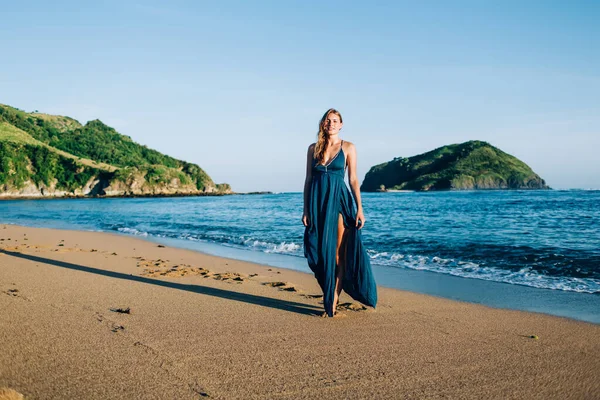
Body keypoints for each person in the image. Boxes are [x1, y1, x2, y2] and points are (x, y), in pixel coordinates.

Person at [303, 108, 377, 317]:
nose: (331, 124)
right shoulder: (312, 149)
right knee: (316, 250)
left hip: (338, 202)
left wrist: (360, 208)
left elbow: (353, 179)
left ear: (341, 124)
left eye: (335, 121)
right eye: (328, 120)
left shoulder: (349, 147)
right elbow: (308, 180)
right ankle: (329, 290)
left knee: (336, 254)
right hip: (318, 203)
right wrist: (306, 209)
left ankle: (333, 299)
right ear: (323, 124)